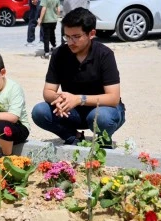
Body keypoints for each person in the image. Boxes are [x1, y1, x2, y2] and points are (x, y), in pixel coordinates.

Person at [31, 7, 126, 148]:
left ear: (91, 33)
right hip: (72, 111)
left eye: (76, 37)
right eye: (67, 37)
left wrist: (78, 99)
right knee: (40, 111)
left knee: (102, 117)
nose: (70, 42)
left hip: (102, 110)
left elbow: (113, 98)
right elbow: (48, 92)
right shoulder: (59, 54)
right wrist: (60, 99)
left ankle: (103, 142)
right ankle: (73, 136)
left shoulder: (104, 55)